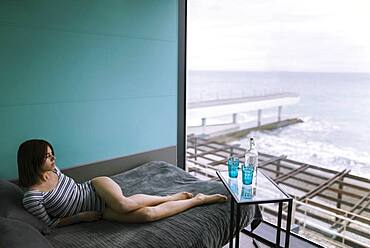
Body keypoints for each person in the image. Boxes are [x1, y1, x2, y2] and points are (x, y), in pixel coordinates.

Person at [17, 139, 227, 228]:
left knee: (124, 204)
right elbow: (49, 224)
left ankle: (170, 197)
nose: (53, 158)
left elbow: (75, 190)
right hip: (96, 210)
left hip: (96, 187)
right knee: (147, 215)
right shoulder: (33, 197)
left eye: (52, 153)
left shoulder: (54, 170)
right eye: (47, 155)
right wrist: (79, 218)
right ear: (33, 160)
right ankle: (197, 200)